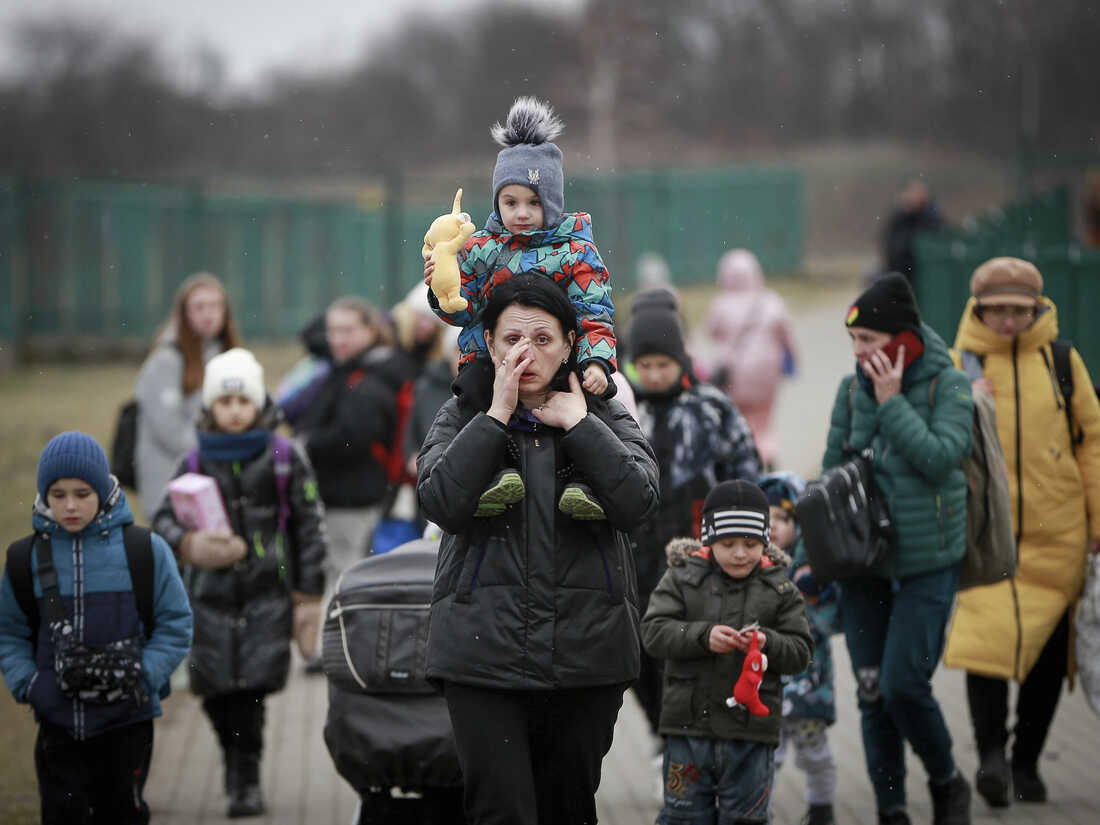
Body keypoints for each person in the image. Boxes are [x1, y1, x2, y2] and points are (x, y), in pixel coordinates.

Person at [417, 274, 659, 825]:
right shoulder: (462, 413)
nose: (526, 353)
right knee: (501, 811)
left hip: (586, 656)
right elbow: (440, 502)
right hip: (482, 655)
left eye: (544, 339)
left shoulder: (606, 413)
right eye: (511, 340)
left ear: (572, 343)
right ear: (490, 344)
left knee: (567, 808)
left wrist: (578, 424)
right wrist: (495, 415)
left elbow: (639, 503)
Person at [942, 257, 1100, 807]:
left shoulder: (1061, 361)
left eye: (1018, 310)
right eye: (997, 310)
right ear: (979, 309)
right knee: (986, 645)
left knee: (1047, 656)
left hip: (1058, 532)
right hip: (987, 534)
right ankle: (990, 756)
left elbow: (1092, 440)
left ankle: (1027, 759)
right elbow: (940, 438)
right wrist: (964, 397)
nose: (1008, 320)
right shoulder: (958, 361)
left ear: (1036, 308)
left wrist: (1097, 521)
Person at [824, 272, 973, 825]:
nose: (860, 355)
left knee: (903, 687)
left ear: (902, 338)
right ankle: (892, 809)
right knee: (871, 694)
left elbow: (940, 458)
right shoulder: (848, 389)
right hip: (863, 566)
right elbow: (833, 472)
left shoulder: (947, 385)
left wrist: (890, 405)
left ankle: (946, 781)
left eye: (869, 342)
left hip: (927, 564)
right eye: (854, 343)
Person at [153, 348, 327, 817]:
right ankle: (231, 759)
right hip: (207, 599)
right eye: (224, 403)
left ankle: (244, 776)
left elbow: (308, 527)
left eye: (242, 401)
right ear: (211, 407)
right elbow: (163, 521)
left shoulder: (283, 456)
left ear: (257, 403)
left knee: (249, 694)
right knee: (213, 691)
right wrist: (190, 544)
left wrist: (308, 596)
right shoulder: (193, 461)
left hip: (265, 598)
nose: (234, 411)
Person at [424, 96, 616, 520]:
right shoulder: (480, 248)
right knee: (475, 398)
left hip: (557, 358)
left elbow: (594, 311)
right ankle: (491, 477)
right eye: (511, 203)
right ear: (497, 203)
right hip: (489, 358)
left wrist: (597, 361)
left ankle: (585, 485)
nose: (522, 214)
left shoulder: (574, 250)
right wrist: (443, 289)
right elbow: (464, 310)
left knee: (584, 404)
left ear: (552, 202)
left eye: (534, 203)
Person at [0, 432, 192, 825]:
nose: (70, 505)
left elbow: (177, 624)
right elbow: (9, 633)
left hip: (127, 724)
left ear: (104, 490)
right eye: (58, 494)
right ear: (44, 495)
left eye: (83, 493)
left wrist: (144, 677)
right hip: (57, 724)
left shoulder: (145, 550)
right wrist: (31, 685)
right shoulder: (24, 559)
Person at [627, 298, 763, 745]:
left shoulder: (710, 408)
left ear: (680, 358)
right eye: (643, 364)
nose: (653, 374)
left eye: (662, 363)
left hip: (697, 554)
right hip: (636, 555)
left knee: (687, 651)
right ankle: (662, 736)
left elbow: (745, 471)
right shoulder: (623, 410)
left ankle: (687, 740)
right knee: (637, 658)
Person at [641, 479, 813, 825]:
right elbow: (653, 633)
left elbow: (800, 650)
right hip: (687, 733)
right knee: (683, 817)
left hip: (751, 737)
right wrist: (702, 636)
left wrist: (768, 641)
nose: (739, 553)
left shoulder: (780, 587)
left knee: (746, 819)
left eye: (750, 544)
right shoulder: (681, 578)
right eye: (728, 543)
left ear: (765, 540)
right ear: (708, 539)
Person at [291, 297, 402, 594]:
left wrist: (307, 443)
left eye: (347, 330)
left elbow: (351, 437)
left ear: (370, 331)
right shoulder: (347, 371)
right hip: (343, 492)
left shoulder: (369, 378)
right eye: (333, 331)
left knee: (345, 576)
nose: (337, 339)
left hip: (354, 496)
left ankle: (337, 640)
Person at [760, 472, 840, 825]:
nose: (774, 526)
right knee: (766, 754)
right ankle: (758, 809)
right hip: (766, 686)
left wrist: (807, 593)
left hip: (808, 682)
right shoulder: (752, 566)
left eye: (784, 518)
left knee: (814, 752)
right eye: (767, 518)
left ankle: (822, 808)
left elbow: (828, 621)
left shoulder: (812, 572)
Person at [134, 271, 241, 520]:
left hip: (214, 480)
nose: (208, 314)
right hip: (171, 483)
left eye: (215, 306)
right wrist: (219, 450)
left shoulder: (226, 355)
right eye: (199, 307)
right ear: (184, 313)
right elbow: (169, 431)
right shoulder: (166, 360)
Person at [698, 248, 797, 468]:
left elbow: (711, 332)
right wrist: (793, 362)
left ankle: (745, 457)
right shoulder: (772, 301)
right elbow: (787, 337)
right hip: (767, 375)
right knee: (764, 420)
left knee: (739, 418)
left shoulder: (721, 304)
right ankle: (767, 452)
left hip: (734, 375)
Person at [882, 179, 943, 289]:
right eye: (911, 193)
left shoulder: (930, 216)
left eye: (918, 194)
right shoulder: (899, 216)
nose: (914, 197)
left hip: (920, 275)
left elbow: (934, 238)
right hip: (898, 271)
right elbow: (887, 239)